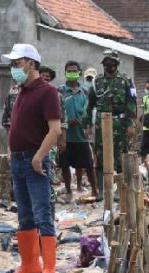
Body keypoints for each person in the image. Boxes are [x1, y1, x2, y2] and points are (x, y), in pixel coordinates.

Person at [1, 44, 61, 273]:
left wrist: (38, 157)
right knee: (24, 214)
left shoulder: (47, 91)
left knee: (42, 213)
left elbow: (55, 129)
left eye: (18, 63)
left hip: (34, 160)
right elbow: (15, 126)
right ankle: (29, 264)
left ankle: (49, 269)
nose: (14, 67)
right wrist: (10, 151)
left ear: (32, 64)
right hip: (17, 159)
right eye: (13, 63)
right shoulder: (20, 91)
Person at [85, 50, 136, 191]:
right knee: (100, 157)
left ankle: (121, 190)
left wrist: (131, 124)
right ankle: (102, 191)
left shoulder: (126, 81)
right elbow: (90, 105)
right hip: (101, 124)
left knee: (121, 158)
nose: (109, 66)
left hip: (120, 123)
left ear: (117, 64)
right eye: (106, 63)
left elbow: (131, 103)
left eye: (112, 63)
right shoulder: (97, 81)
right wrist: (87, 125)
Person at [58, 60, 97, 202]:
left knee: (88, 164)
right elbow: (57, 112)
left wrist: (86, 123)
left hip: (82, 135)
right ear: (65, 73)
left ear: (79, 73)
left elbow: (90, 110)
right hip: (65, 135)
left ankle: (94, 190)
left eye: (75, 71)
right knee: (65, 164)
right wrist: (67, 122)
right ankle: (69, 190)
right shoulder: (60, 91)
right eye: (69, 71)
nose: (72, 73)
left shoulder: (86, 91)